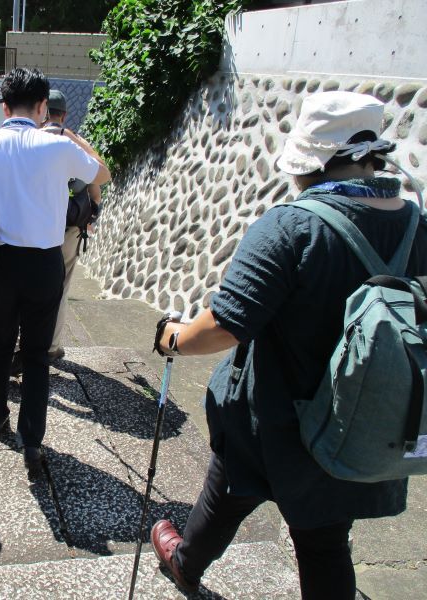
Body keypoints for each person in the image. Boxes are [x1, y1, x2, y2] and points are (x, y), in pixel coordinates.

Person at [149, 91, 426, 599]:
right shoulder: (418, 226)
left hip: (272, 420)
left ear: (315, 161)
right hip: (358, 421)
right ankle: (187, 559)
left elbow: (224, 325)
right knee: (324, 543)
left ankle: (185, 563)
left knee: (228, 491)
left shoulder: (292, 226)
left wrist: (172, 338)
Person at [0, 67, 111, 476]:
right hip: (45, 263)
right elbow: (103, 172)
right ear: (44, 107)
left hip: (0, 263)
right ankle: (32, 443)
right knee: (38, 355)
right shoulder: (57, 148)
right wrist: (68, 135)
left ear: (3, 107)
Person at [42, 89, 102, 362]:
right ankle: (51, 346)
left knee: (29, 282)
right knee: (61, 286)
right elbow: (96, 186)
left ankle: (24, 342)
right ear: (64, 115)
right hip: (69, 230)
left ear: (42, 111)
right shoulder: (76, 144)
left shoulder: (31, 141)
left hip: (37, 226)